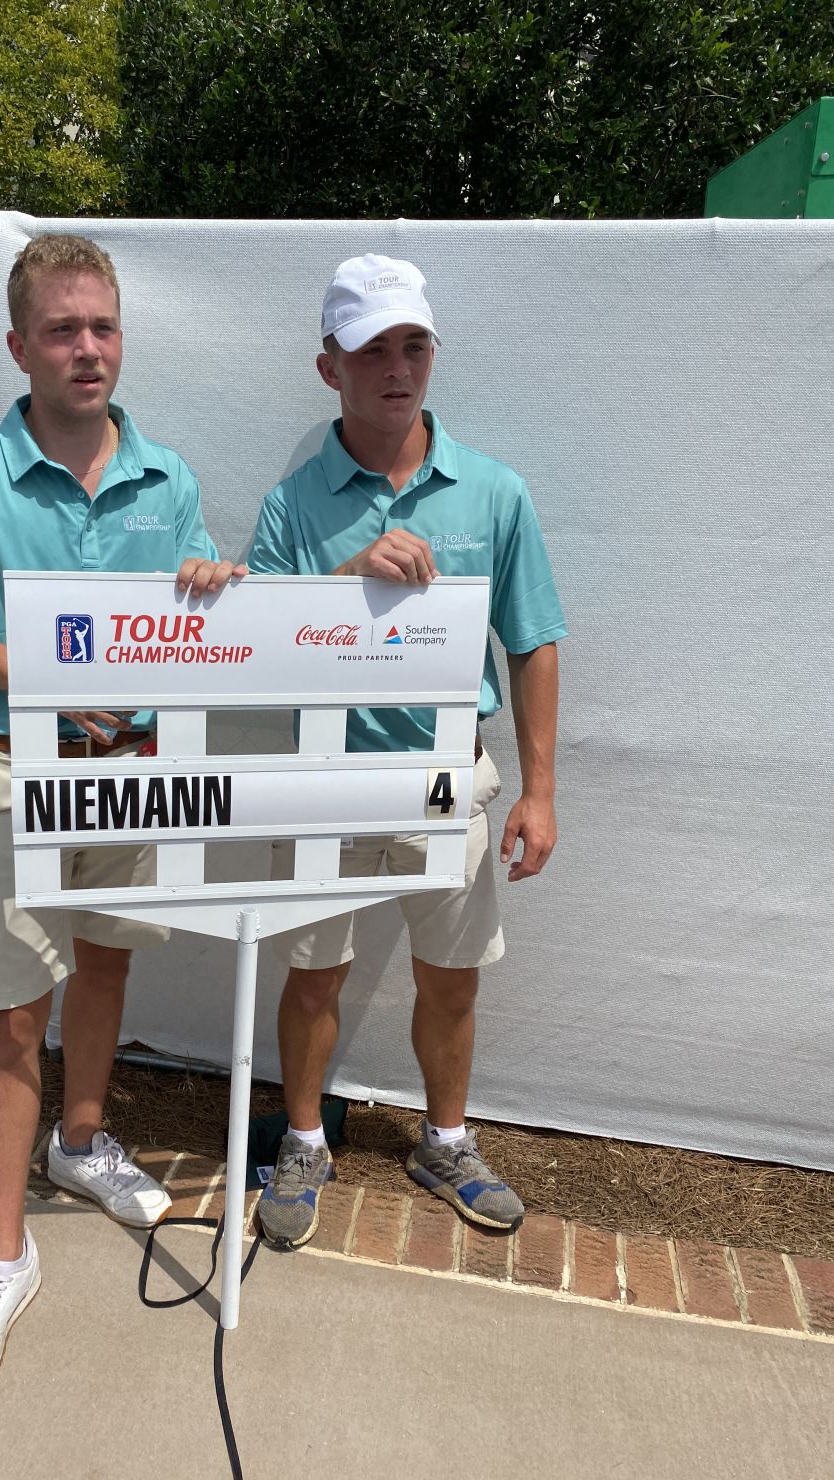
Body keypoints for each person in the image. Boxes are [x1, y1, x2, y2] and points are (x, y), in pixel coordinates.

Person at [0, 234, 244, 1397]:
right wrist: (56, 677)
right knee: (7, 1018)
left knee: (103, 968)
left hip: (128, 764)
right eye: (62, 329)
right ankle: (3, 1255)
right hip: (6, 767)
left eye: (101, 327)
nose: (86, 348)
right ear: (17, 346)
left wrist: (213, 585)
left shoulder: (170, 474)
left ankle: (83, 1142)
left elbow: (188, 623)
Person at [247, 254, 566, 1250]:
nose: (397, 365)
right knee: (311, 973)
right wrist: (346, 574)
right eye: (371, 347)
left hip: (450, 769)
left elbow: (533, 638)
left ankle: (446, 1137)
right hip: (326, 774)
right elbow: (255, 652)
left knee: (453, 975)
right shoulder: (294, 506)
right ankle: (302, 1140)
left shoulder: (494, 493)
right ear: (328, 367)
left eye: (413, 343)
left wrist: (540, 788)